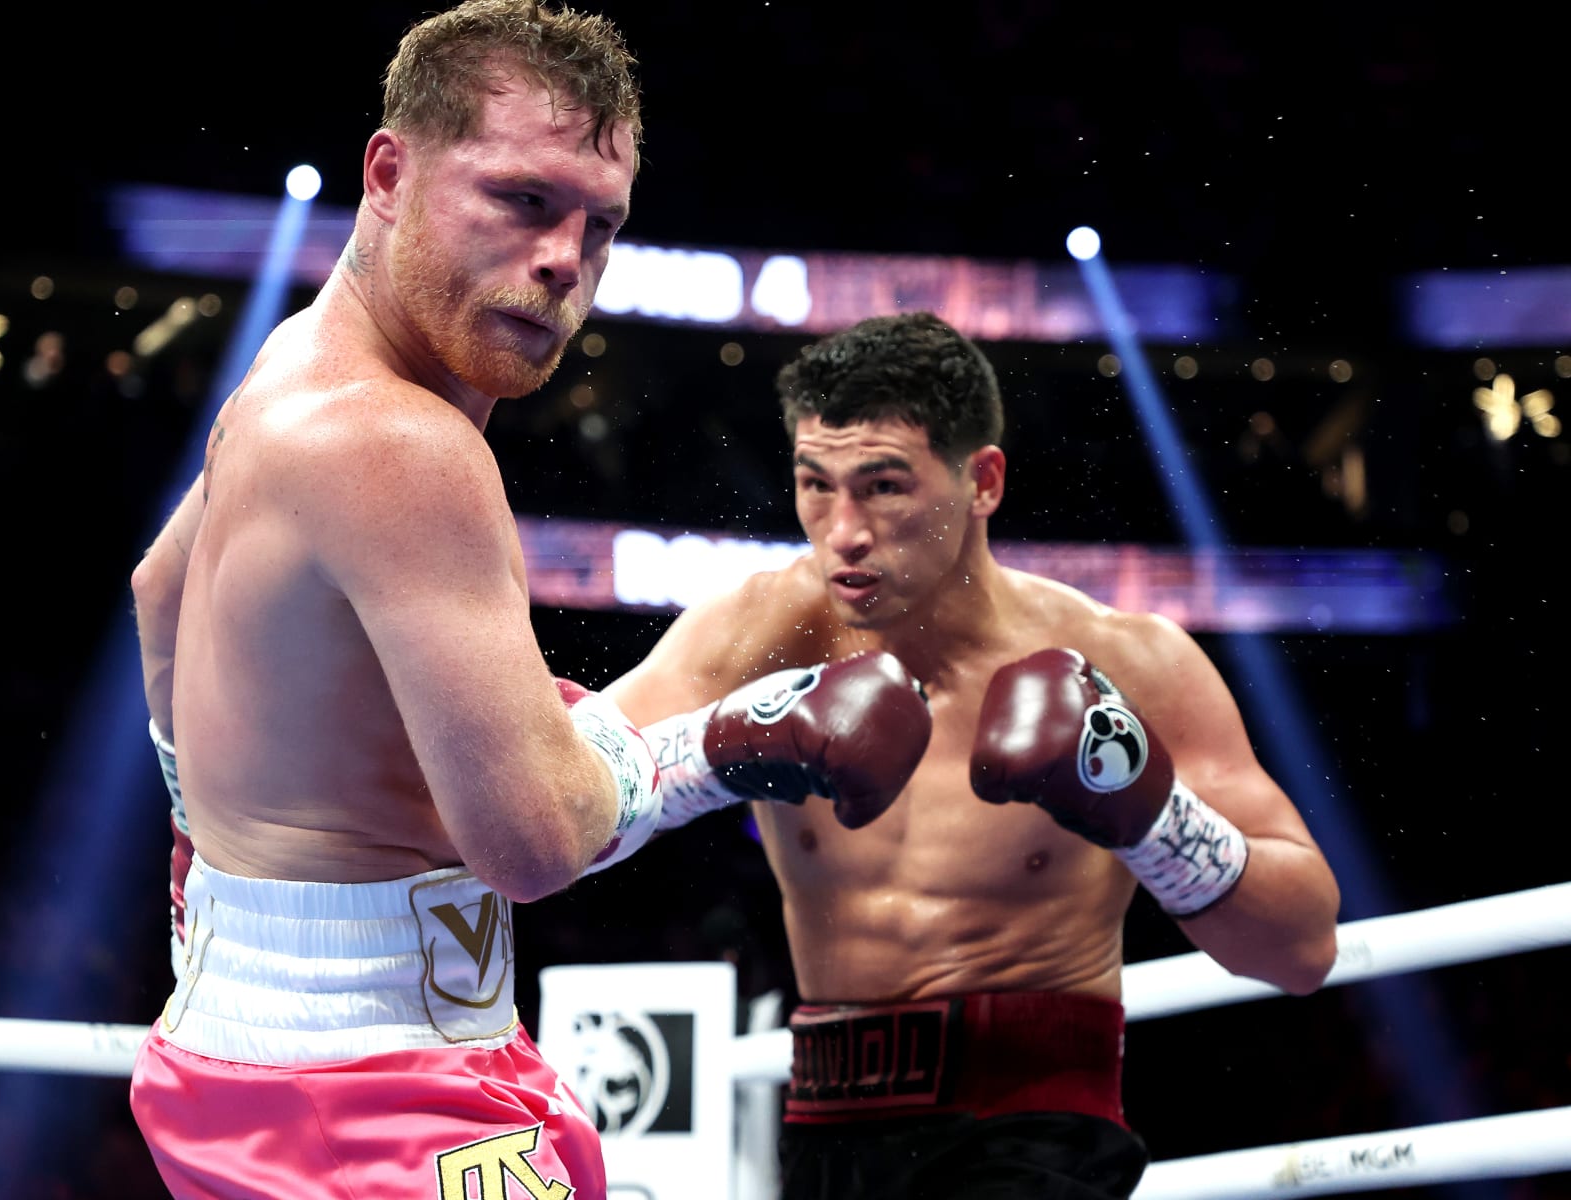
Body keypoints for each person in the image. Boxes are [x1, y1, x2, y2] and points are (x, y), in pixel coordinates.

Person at [123, 4, 934, 1198]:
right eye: (521, 199)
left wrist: (221, 850)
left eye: (599, 224)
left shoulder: (294, 366)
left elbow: (160, 591)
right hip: (367, 1093)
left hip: (261, 1059)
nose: (565, 259)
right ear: (389, 174)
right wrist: (728, 740)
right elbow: (535, 843)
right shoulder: (404, 443)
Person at [601, 311, 1343, 1199]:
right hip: (826, 1130)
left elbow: (1301, 949)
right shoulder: (761, 634)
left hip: (1035, 1126)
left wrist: (1149, 813)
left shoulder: (1126, 656)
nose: (844, 532)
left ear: (982, 480)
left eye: (883, 486)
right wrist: (712, 751)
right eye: (815, 485)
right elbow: (549, 819)